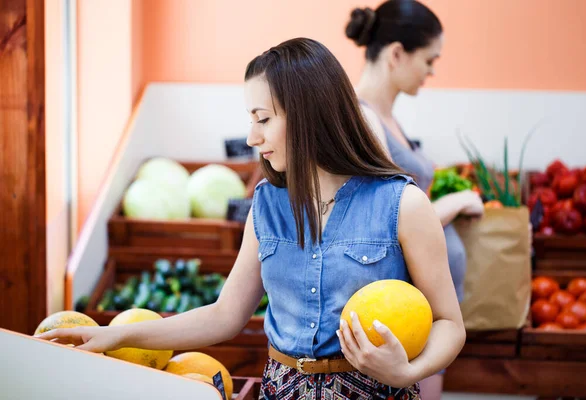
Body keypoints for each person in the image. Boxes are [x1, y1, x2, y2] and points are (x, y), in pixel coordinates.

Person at [37, 38, 466, 400]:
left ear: (310, 115)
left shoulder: (403, 205)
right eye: (250, 119)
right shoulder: (268, 204)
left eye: (262, 119)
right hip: (281, 388)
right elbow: (226, 315)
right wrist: (116, 335)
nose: (251, 136)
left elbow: (449, 324)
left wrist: (407, 373)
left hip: (375, 391)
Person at [346, 2, 483, 398]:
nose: (431, 71)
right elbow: (386, 216)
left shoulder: (388, 119)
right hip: (405, 315)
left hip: (426, 314)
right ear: (395, 54)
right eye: (429, 59)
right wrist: (457, 202)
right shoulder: (364, 120)